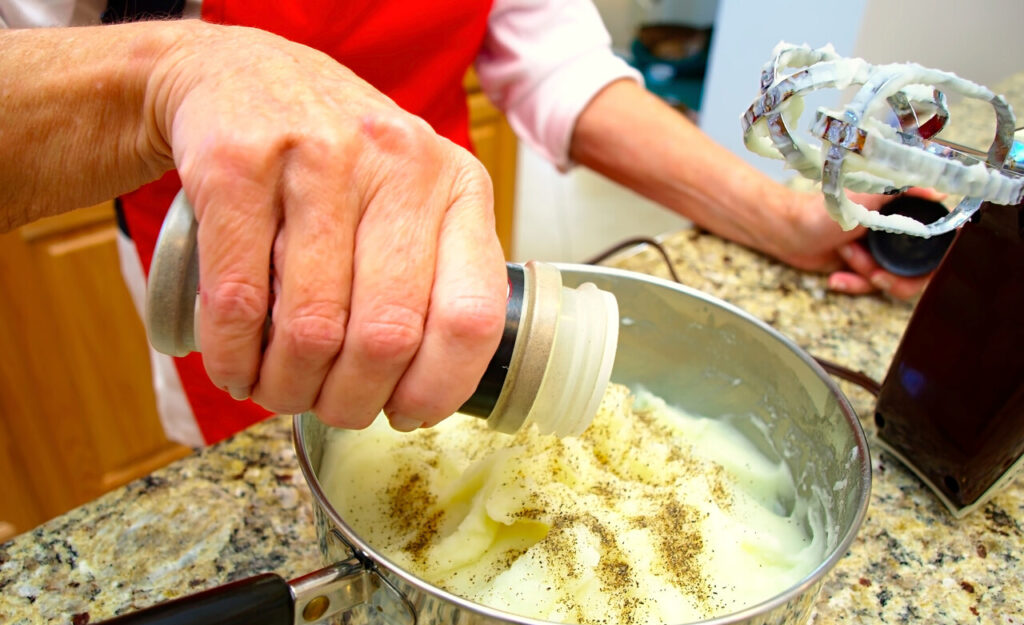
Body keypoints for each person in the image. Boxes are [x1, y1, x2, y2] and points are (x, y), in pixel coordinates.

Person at [0, 1, 926, 448]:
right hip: (228, 279)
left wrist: (778, 214)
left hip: (441, 267)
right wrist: (175, 69)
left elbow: (559, 65)